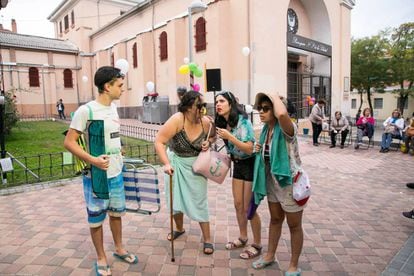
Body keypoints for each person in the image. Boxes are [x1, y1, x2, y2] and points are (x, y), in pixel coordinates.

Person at [64, 66, 137, 276]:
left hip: (116, 172)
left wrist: (119, 146)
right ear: (107, 86)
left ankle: (119, 248)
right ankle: (101, 257)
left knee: (116, 214)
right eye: (120, 85)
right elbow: (69, 143)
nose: (122, 89)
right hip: (96, 176)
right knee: (96, 218)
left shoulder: (113, 108)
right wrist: (93, 160)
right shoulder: (86, 110)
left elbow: (110, 134)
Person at [154, 90, 215, 255]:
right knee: (175, 199)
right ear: (188, 107)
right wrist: (166, 164)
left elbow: (213, 137)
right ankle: (179, 228)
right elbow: (159, 141)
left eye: (204, 106)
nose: (202, 109)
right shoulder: (177, 120)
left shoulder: (206, 122)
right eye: (199, 106)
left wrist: (208, 143)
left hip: (197, 166)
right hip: (175, 163)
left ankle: (207, 238)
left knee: (199, 200)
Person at [251, 92, 305, 276]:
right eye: (260, 108)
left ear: (275, 109)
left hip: (289, 182)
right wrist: (259, 149)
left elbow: (282, 115)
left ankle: (293, 266)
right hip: (272, 182)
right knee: (275, 219)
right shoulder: (266, 130)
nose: (261, 112)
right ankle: (269, 256)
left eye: (266, 108)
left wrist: (274, 96)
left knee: (294, 225)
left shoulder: (287, 128)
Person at [215, 91, 262, 259]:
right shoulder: (222, 122)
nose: (218, 104)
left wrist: (230, 137)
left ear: (230, 104)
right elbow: (218, 140)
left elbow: (249, 148)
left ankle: (257, 244)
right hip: (237, 165)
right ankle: (243, 237)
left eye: (221, 101)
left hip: (249, 163)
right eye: (216, 102)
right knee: (238, 204)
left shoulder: (243, 122)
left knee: (249, 208)